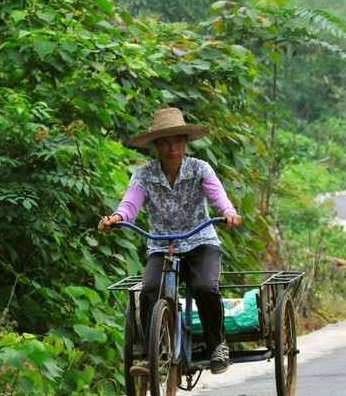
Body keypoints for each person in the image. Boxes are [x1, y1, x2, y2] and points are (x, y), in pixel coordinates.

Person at [98, 107, 242, 375]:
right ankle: (149, 355)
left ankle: (217, 346)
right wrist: (116, 218)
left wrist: (228, 213)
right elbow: (130, 203)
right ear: (155, 146)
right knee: (150, 290)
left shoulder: (200, 168)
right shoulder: (144, 174)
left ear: (186, 142)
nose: (172, 148)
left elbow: (218, 196)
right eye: (164, 141)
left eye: (177, 141)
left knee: (204, 288)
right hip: (162, 245)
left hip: (201, 242)